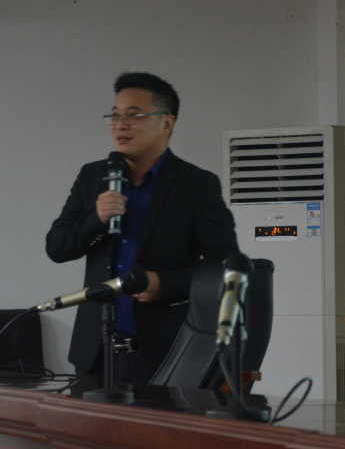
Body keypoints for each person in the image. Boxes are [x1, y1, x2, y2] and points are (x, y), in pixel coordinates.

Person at [45, 72, 239, 386]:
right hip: (95, 352)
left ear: (167, 123)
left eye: (134, 115)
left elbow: (226, 267)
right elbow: (57, 247)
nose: (120, 125)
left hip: (165, 352)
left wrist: (166, 283)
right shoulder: (93, 176)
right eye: (115, 115)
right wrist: (96, 218)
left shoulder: (196, 185)